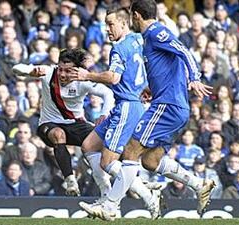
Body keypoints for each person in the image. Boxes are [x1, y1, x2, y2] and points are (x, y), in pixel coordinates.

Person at [79, 0, 215, 220]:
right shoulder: (144, 39)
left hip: (167, 105)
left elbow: (183, 51)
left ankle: (111, 206)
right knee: (149, 161)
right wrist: (152, 88)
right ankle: (199, 184)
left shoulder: (155, 32)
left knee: (131, 150)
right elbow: (168, 64)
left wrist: (195, 78)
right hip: (169, 104)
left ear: (136, 16)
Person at [66, 7, 161, 217]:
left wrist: (86, 75)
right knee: (89, 146)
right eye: (105, 24)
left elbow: (113, 78)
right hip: (129, 103)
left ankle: (138, 197)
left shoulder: (118, 48)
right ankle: (107, 194)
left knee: (107, 162)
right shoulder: (139, 38)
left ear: (123, 23)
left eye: (111, 24)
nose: (107, 29)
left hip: (128, 106)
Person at [12, 48, 114, 196]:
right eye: (60, 69)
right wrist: (30, 72)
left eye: (68, 71)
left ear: (76, 70)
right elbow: (16, 69)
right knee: (59, 134)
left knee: (102, 142)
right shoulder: (48, 73)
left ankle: (127, 181)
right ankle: (71, 181)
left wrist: (104, 114)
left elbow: (108, 93)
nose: (62, 74)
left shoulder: (83, 81)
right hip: (49, 124)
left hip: (76, 124)